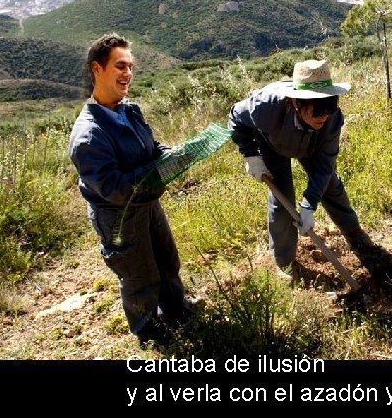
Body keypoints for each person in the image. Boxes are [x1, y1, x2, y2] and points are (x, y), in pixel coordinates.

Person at [69, 33, 194, 345]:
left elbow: (151, 148)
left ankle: (178, 311)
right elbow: (114, 188)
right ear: (97, 69)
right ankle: (149, 333)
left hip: (148, 202)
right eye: (119, 66)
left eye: (130, 67)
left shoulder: (130, 109)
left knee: (166, 259)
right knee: (139, 275)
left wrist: (170, 156)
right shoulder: (89, 134)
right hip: (119, 214)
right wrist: (157, 171)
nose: (127, 73)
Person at [228, 59, 367, 275]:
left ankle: (357, 237)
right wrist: (251, 155)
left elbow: (324, 166)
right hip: (273, 143)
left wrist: (310, 204)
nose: (324, 116)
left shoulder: (331, 119)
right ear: (296, 102)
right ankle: (284, 263)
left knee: (330, 185)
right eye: (317, 110)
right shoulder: (266, 106)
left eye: (329, 108)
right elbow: (236, 117)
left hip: (312, 145)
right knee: (282, 200)